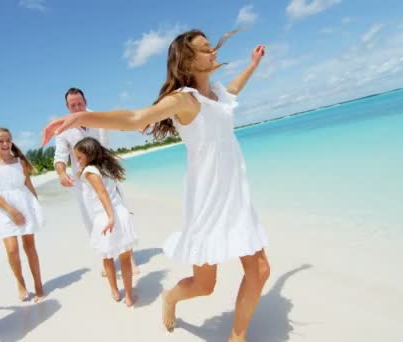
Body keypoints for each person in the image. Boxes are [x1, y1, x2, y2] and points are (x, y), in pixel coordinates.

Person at [42, 30, 269, 342]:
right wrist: (84, 115)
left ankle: (237, 337)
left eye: (211, 46)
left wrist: (252, 66)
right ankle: (170, 298)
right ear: (188, 61)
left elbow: (232, 91)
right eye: (205, 49)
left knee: (260, 270)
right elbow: (137, 117)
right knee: (205, 285)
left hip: (236, 195)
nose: (214, 52)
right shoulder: (183, 100)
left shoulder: (215, 93)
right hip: (208, 199)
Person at [53, 87, 139, 275]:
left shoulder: (98, 117)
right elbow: (59, 157)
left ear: (86, 101)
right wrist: (61, 173)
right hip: (85, 184)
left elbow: (117, 127)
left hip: (107, 176)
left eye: (80, 103)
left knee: (120, 214)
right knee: (94, 222)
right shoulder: (63, 129)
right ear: (67, 107)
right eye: (73, 105)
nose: (77, 108)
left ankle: (129, 258)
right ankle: (107, 260)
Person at [0, 127, 45, 303]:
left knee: (30, 246)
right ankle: (20, 282)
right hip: (4, 209)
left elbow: (28, 184)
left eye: (8, 140)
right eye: (0, 141)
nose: (5, 143)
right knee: (12, 249)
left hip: (25, 204)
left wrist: (36, 205)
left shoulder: (20, 162)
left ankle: (38, 284)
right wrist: (11, 211)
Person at [74, 137, 137, 307]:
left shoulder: (89, 171)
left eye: (79, 157)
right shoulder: (106, 168)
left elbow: (103, 194)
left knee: (107, 257)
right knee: (124, 257)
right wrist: (122, 210)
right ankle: (129, 296)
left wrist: (110, 217)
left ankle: (115, 291)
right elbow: (115, 191)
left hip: (105, 216)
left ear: (89, 155)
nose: (77, 161)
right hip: (119, 212)